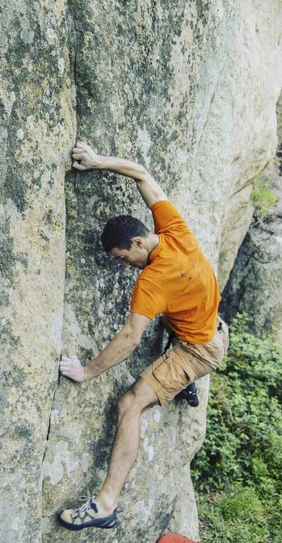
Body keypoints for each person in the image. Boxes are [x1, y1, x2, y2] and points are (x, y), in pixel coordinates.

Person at [57, 142, 229, 531]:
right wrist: (98, 161)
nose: (123, 266)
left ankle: (105, 504)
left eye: (122, 257)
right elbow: (142, 174)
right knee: (171, 315)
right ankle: (182, 384)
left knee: (130, 404)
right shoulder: (173, 229)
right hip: (212, 325)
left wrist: (85, 372)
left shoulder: (150, 283)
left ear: (138, 243)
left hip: (197, 351)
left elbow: (129, 338)